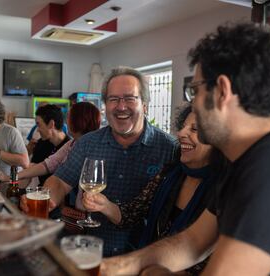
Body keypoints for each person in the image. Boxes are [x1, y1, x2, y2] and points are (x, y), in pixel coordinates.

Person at [101, 22, 270, 276]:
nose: (194, 105)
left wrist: (154, 273)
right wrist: (109, 268)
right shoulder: (244, 162)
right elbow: (192, 242)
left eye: (195, 90)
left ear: (222, 91)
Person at [22, 66, 177, 256]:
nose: (121, 106)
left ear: (145, 105)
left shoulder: (169, 149)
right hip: (92, 252)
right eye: (113, 99)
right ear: (105, 105)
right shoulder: (88, 143)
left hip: (144, 258)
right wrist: (49, 198)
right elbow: (60, 182)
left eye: (130, 98)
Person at [82, 103, 228, 263]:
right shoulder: (169, 174)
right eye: (184, 126)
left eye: (194, 129)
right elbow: (132, 214)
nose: (180, 133)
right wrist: (104, 205)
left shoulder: (225, 189)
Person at [1, 102, 101, 187]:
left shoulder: (93, 147)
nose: (66, 121)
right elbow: (47, 165)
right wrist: (11, 177)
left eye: (69, 117)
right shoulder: (71, 144)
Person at [27, 104, 70, 185]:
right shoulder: (41, 143)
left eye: (39, 125)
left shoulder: (70, 148)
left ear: (51, 124)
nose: (37, 130)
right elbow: (30, 170)